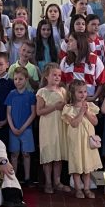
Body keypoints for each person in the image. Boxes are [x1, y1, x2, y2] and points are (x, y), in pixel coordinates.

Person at [62, 80, 101, 199]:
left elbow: (95, 122)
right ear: (73, 93)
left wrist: (87, 112)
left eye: (85, 91)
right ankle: (78, 189)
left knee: (87, 165)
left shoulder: (90, 106)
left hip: (87, 141)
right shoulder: (68, 108)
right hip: (76, 141)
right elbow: (74, 124)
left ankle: (87, 188)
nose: (83, 94)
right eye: (80, 92)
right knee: (77, 163)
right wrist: (81, 112)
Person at [35, 63, 68, 194]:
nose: (57, 77)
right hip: (48, 127)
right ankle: (48, 182)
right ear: (46, 76)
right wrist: (55, 107)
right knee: (49, 154)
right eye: (54, 75)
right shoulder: (42, 92)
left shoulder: (63, 91)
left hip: (60, 126)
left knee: (58, 155)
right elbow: (39, 111)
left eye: (59, 75)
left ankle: (57, 182)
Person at [5, 68, 37, 184]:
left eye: (20, 79)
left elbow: (33, 113)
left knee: (26, 154)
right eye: (15, 79)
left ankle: (27, 178)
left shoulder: (30, 95)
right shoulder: (11, 94)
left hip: (26, 129)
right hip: (13, 129)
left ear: (26, 79)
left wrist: (23, 128)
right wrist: (13, 128)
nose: (17, 81)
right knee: (14, 154)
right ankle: (14, 178)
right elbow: (8, 113)